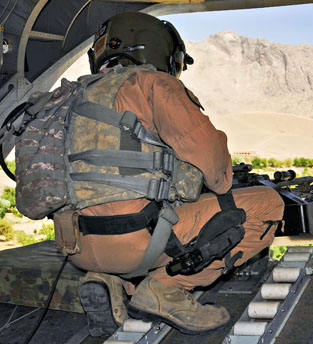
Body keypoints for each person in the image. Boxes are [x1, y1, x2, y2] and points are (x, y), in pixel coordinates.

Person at [51, 11, 284, 336]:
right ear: (159, 51)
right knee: (267, 204)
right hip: (137, 242)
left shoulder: (68, 97)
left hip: (76, 246)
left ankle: (109, 281)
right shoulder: (152, 84)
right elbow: (216, 172)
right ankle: (164, 289)